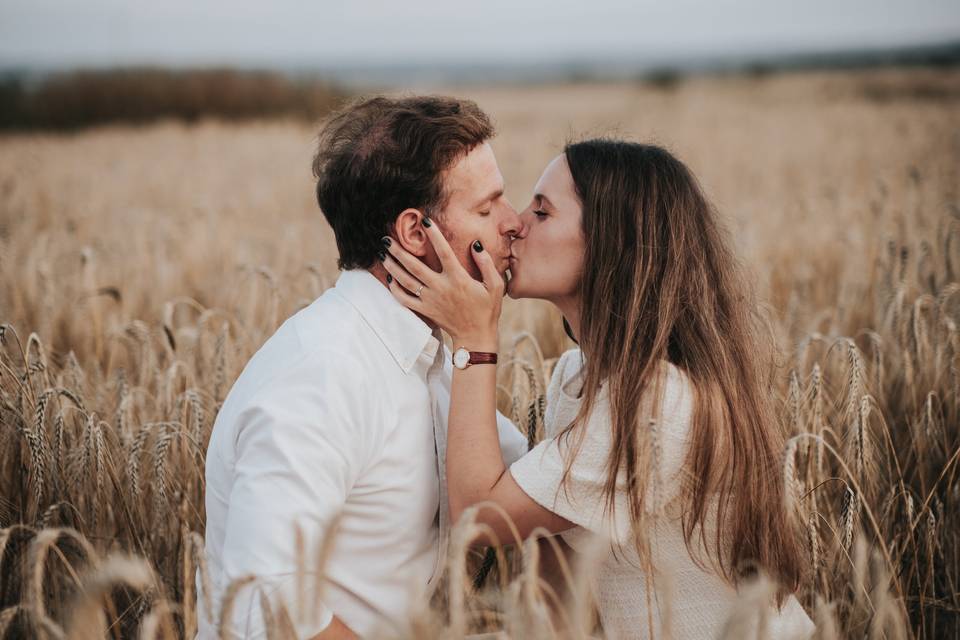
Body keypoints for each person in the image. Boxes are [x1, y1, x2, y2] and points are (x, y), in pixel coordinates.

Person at [380, 139, 816, 639]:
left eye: (542, 212)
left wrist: (475, 341)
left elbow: (480, 516)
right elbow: (555, 563)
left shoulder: (657, 400)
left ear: (611, 242)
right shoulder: (579, 377)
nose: (516, 223)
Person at [197, 95, 529, 639]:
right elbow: (265, 615)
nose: (514, 222)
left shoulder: (428, 362)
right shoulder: (321, 374)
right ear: (415, 233)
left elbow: (525, 487)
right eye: (488, 208)